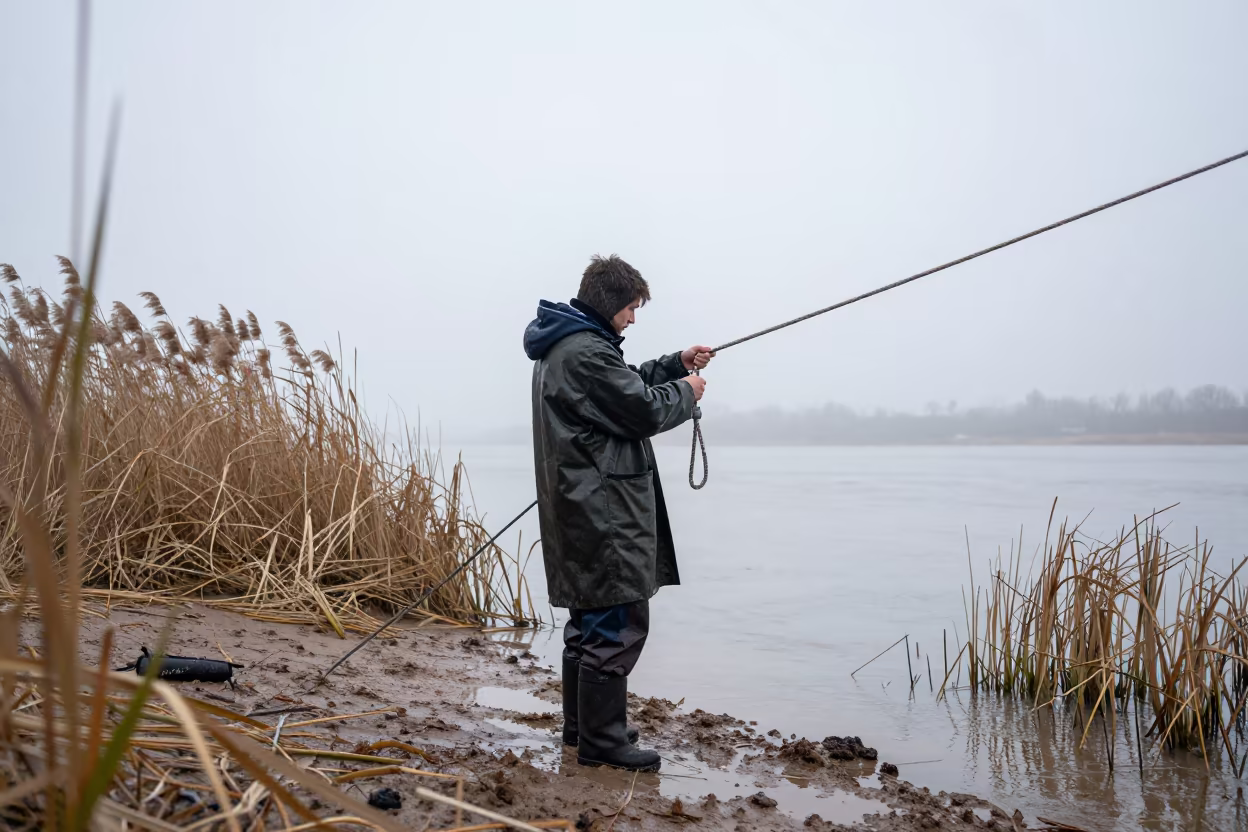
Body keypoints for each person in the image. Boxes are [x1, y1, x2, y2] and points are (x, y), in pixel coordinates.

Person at [522, 254, 712, 772]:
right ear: (611, 305)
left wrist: (676, 363)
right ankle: (602, 744)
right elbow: (643, 409)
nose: (633, 319)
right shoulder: (585, 352)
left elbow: (624, 384)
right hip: (602, 510)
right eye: (631, 308)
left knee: (588, 622)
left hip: (581, 503)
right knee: (615, 621)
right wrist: (686, 392)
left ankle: (582, 729)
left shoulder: (571, 345)